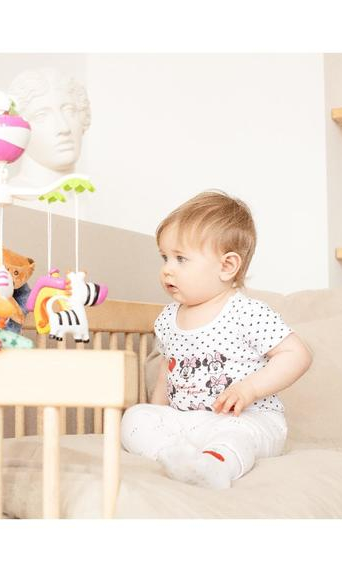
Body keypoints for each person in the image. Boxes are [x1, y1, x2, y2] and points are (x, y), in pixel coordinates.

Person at [121, 190, 313, 489]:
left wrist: (249, 388)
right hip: (189, 422)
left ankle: (216, 465)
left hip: (248, 419)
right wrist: (159, 414)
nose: (167, 269)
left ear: (227, 266)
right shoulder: (167, 318)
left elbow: (297, 354)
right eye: (165, 257)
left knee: (236, 436)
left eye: (181, 259)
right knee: (134, 417)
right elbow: (166, 373)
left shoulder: (245, 311)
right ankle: (173, 455)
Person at [8, 67, 91, 188]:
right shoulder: (15, 194)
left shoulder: (81, 195)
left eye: (69, 111)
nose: (64, 128)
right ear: (19, 130)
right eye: (41, 116)